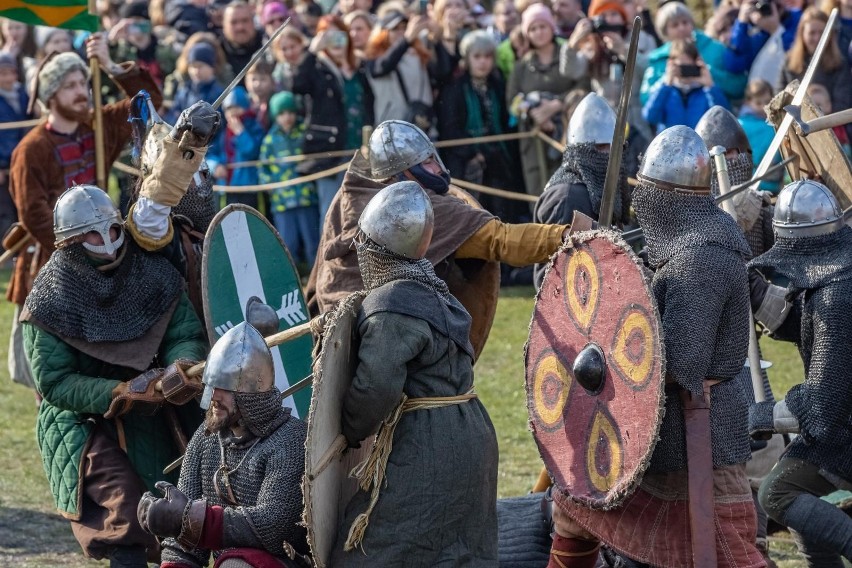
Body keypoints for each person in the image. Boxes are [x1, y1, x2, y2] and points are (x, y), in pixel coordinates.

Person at [548, 126, 765, 567]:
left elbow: (676, 364)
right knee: (574, 508)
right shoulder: (688, 243)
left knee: (729, 554)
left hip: (699, 435)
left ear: (665, 196)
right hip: (665, 433)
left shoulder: (700, 257)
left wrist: (607, 361)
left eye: (647, 190)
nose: (640, 198)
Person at [22, 183, 208, 567]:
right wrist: (119, 391)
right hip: (81, 419)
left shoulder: (150, 272)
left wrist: (181, 367)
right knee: (124, 514)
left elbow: (183, 333)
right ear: (71, 242)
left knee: (182, 502)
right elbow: (54, 382)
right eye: (92, 233)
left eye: (112, 230)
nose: (106, 242)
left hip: (155, 404)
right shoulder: (49, 297)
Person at [329, 180, 498, 566]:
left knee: (365, 553)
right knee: (456, 553)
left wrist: (347, 430)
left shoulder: (391, 305)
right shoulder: (436, 291)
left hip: (431, 445)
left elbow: (375, 390)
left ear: (377, 250)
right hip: (473, 434)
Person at [7, 37, 161, 391]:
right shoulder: (31, 150)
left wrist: (110, 65)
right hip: (51, 264)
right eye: (70, 86)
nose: (82, 91)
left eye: (82, 82)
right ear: (50, 97)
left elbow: (149, 104)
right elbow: (34, 213)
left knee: (100, 355)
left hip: (104, 252)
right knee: (53, 362)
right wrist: (79, 251)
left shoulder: (99, 127)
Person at [306, 119, 570, 319]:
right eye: (429, 161)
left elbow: (318, 275)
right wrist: (567, 236)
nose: (437, 168)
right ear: (406, 173)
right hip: (384, 327)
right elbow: (502, 240)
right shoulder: (422, 208)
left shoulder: (348, 198)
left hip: (332, 320)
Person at [137, 321, 309, 568]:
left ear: (251, 391)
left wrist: (197, 519)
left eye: (224, 387)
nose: (213, 396)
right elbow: (184, 542)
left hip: (282, 561)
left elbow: (273, 526)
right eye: (211, 385)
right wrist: (177, 533)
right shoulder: (207, 438)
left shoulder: (289, 439)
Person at [748, 180, 852, 567]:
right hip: (844, 419)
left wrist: (762, 417)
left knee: (778, 493)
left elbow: (822, 410)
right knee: (791, 490)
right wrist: (759, 295)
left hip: (843, 426)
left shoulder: (837, 295)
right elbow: (811, 328)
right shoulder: (835, 274)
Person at [533, 92, 630, 289]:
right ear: (581, 151)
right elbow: (554, 278)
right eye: (602, 148)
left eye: (616, 149)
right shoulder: (567, 197)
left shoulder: (600, 189)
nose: (610, 156)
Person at [436, 30, 526, 223]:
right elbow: (450, 129)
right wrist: (472, 152)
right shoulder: (455, 88)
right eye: (477, 56)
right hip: (466, 160)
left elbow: (504, 122)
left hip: (498, 156)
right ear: (467, 58)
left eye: (487, 56)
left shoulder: (497, 84)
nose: (482, 62)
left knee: (502, 211)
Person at [292, 15, 374, 226]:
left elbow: (369, 105)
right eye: (328, 36)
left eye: (339, 35)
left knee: (363, 211)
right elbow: (297, 85)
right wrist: (311, 51)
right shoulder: (317, 68)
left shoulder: (360, 67)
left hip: (360, 149)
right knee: (332, 212)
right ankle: (327, 259)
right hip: (329, 152)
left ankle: (360, 259)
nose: (335, 41)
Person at [508, 3, 581, 199]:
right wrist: (532, 112)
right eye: (532, 28)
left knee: (572, 190)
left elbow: (583, 85)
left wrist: (557, 104)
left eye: (542, 26)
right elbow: (512, 101)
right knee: (540, 191)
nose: (538, 32)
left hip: (568, 134)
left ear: (551, 27)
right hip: (535, 139)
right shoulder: (521, 66)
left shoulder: (568, 53)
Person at [640, 2, 746, 106]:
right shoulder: (658, 58)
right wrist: (666, 80)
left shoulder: (715, 48)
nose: (681, 28)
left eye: (685, 22)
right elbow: (645, 99)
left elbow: (739, 87)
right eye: (675, 25)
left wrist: (707, 73)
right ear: (664, 31)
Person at [258, 91, 320, 268]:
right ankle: (292, 279)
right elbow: (263, 168)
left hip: (306, 197)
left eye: (291, 112)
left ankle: (315, 278)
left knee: (312, 243)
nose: (287, 117)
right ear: (275, 116)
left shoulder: (304, 132)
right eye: (282, 113)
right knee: (288, 244)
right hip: (282, 201)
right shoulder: (270, 140)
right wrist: (268, 184)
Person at [642, 38, 729, 132]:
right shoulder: (666, 91)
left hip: (699, 144)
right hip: (670, 144)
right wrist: (666, 85)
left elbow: (722, 118)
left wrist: (710, 86)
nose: (685, 72)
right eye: (682, 67)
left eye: (689, 67)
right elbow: (650, 117)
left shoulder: (706, 92)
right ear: (671, 65)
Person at [0, 53, 29, 254]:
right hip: (4, 165)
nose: (8, 78)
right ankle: (6, 251)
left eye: (11, 73)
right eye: (2, 74)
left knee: (22, 207)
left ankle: (22, 249)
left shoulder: (23, 95)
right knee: (5, 211)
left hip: (23, 161)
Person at [220, 1, 263, 83]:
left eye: (245, 20)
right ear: (224, 25)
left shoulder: (266, 44)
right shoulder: (217, 51)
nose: (240, 27)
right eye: (233, 22)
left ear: (253, 22)